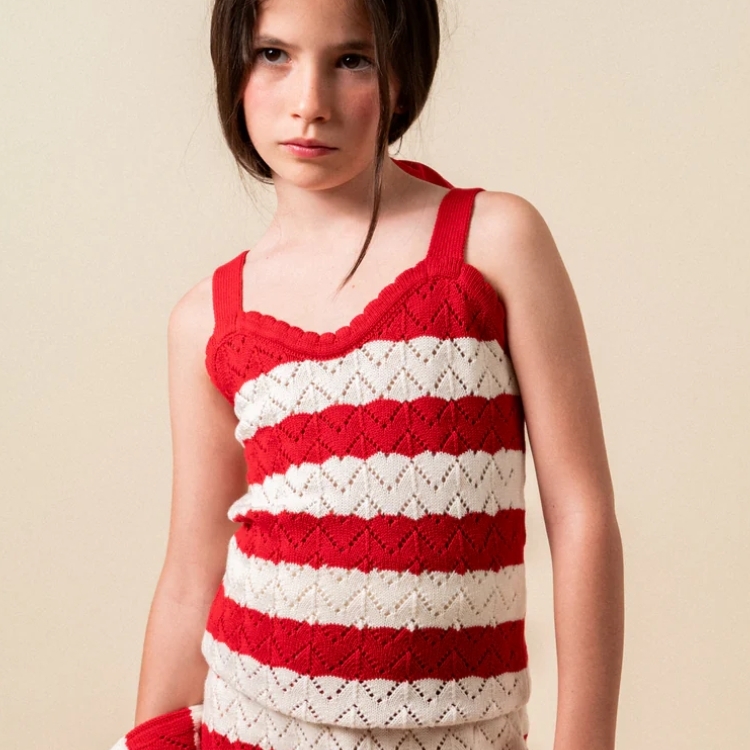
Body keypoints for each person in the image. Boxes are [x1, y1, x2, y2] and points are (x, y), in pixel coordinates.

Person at [108, 0, 624, 748]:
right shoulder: (207, 320)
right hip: (246, 725)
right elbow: (192, 576)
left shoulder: (492, 244)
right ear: (233, 69)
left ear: (402, 74)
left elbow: (580, 514)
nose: (309, 102)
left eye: (352, 60)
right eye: (273, 55)